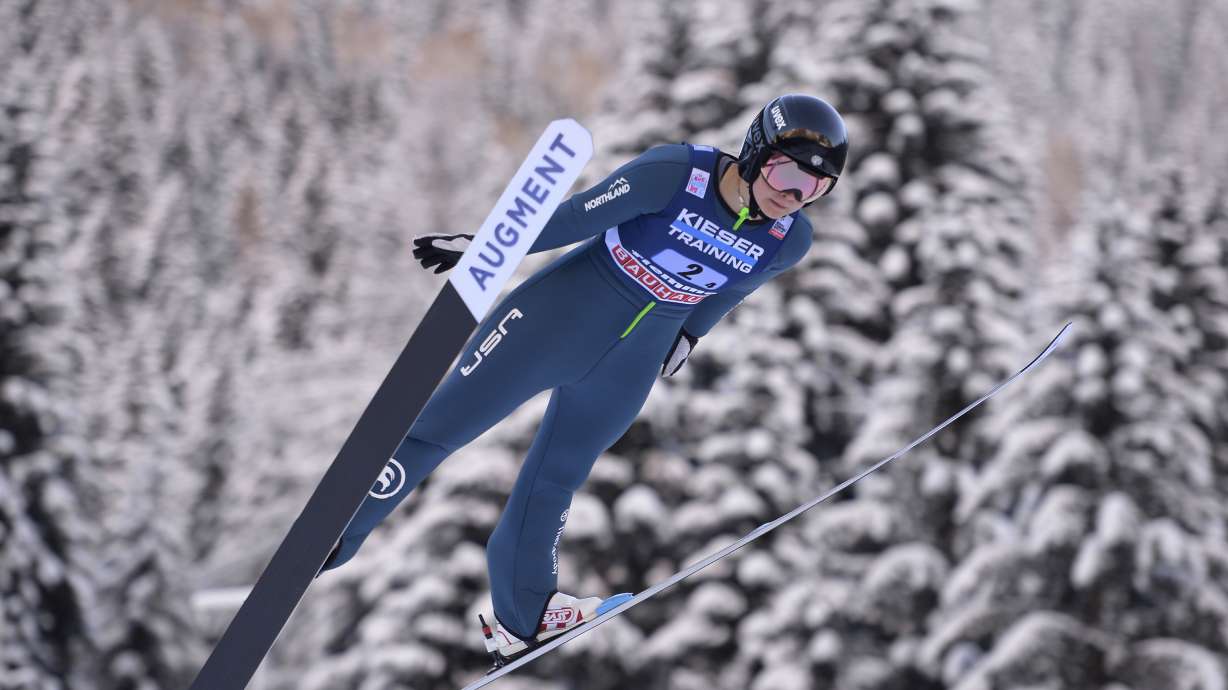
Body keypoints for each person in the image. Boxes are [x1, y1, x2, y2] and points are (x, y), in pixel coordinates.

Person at [318, 94, 849, 663]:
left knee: (555, 481)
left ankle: (524, 615)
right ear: (756, 151)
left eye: (815, 188)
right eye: (788, 171)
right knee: (439, 429)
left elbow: (735, 287)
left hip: (629, 364)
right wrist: (487, 248)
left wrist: (690, 334)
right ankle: (334, 534)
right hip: (555, 320)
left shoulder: (788, 239)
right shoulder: (676, 174)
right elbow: (575, 216)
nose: (794, 195)